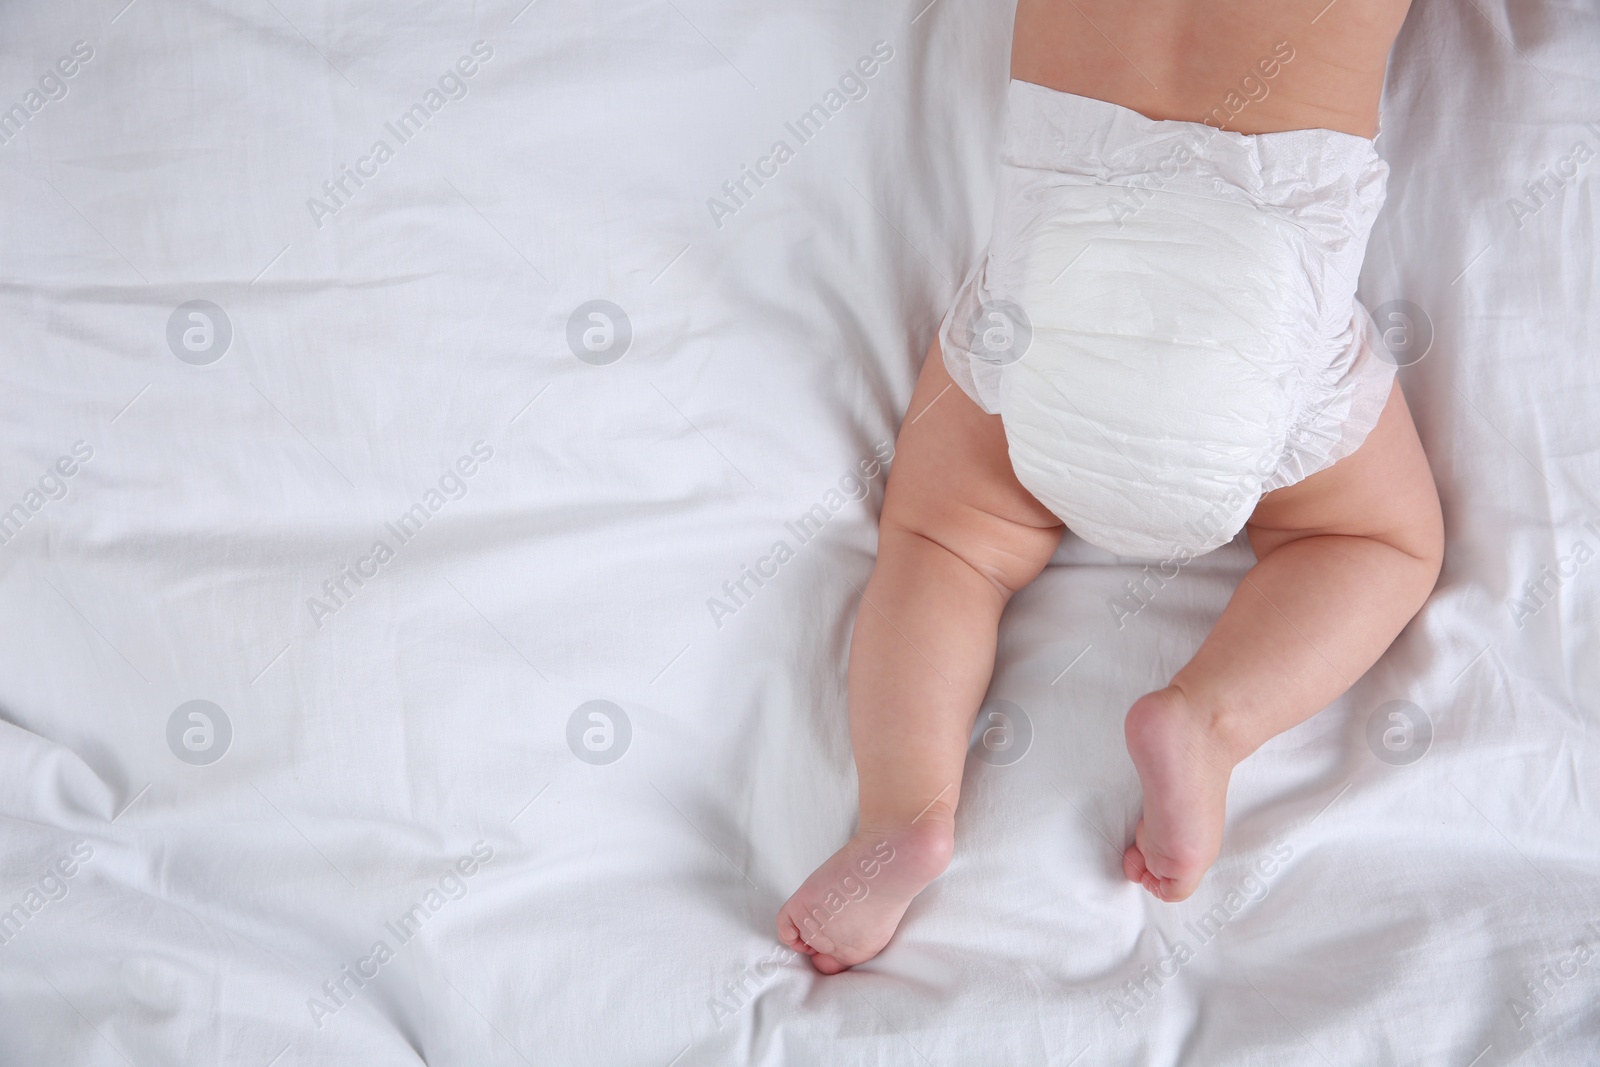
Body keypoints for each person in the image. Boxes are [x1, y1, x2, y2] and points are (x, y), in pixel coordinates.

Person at [777, 0, 1442, 974]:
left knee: (944, 545)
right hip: (1256, 290)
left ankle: (901, 812)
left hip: (1061, 267)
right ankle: (1208, 719)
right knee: (1377, 546)